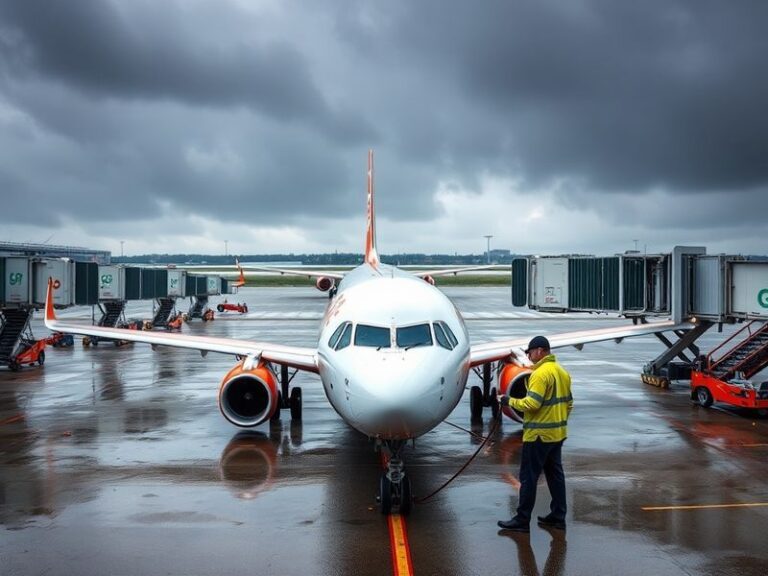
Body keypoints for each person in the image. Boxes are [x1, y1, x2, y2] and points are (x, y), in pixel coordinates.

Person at [497, 335, 573, 533]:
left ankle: (522, 520)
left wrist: (509, 401)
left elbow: (531, 404)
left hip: (538, 436)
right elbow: (569, 402)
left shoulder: (539, 374)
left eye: (530, 352)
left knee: (528, 478)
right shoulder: (562, 372)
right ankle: (558, 516)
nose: (529, 357)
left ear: (539, 351)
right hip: (557, 434)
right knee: (555, 476)